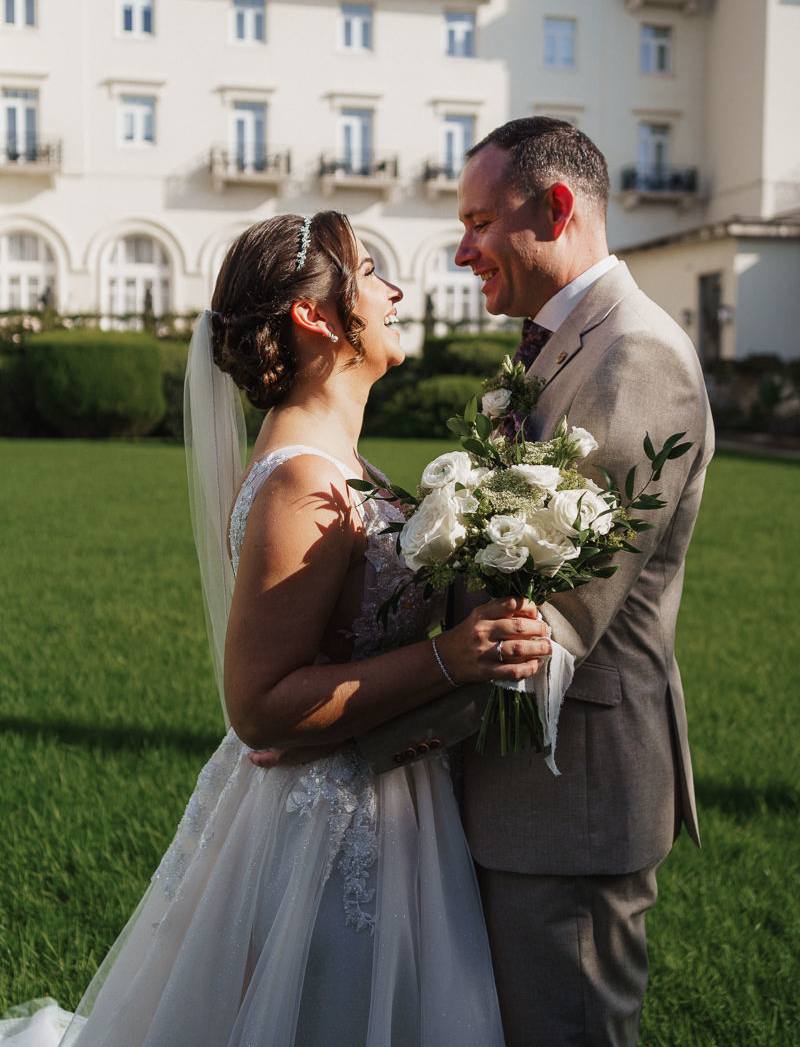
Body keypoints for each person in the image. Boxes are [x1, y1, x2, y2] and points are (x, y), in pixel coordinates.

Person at [0, 210, 553, 1047]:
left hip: (393, 798)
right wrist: (450, 658)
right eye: (370, 274)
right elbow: (258, 707)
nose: (395, 290)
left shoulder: (341, 462)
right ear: (315, 316)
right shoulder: (301, 481)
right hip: (325, 828)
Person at [357, 119, 715, 1047]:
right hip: (519, 786)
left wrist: (355, 731)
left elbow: (550, 620)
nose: (462, 246)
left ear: (555, 208)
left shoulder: (634, 353)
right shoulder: (558, 342)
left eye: (479, 220)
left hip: (573, 796)